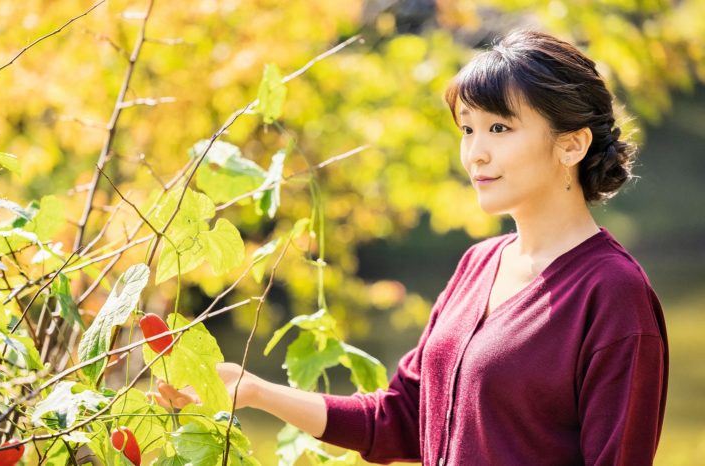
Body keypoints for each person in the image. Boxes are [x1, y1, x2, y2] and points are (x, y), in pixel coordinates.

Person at [151, 29, 669, 465]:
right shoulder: (479, 264)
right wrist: (256, 391)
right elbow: (400, 417)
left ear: (571, 144)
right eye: (467, 129)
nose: (475, 152)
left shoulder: (613, 294)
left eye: (499, 128)